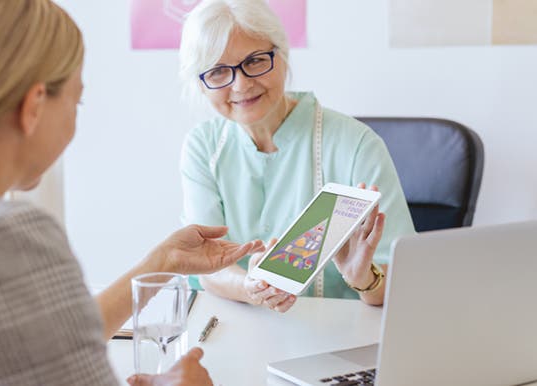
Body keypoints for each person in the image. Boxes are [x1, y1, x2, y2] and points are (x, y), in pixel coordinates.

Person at [0, 1, 265, 385]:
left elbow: (47, 340)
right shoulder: (0, 236)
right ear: (34, 105)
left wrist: (162, 262)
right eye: (77, 101)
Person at [178, 0, 416, 309]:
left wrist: (363, 279)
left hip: (339, 342)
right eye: (219, 71)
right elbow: (204, 266)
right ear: (201, 84)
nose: (241, 84)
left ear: (283, 56)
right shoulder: (204, 146)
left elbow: (404, 288)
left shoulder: (357, 145)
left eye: (255, 61)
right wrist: (250, 287)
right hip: (238, 331)